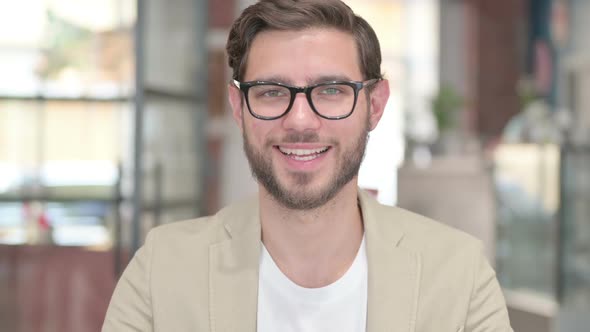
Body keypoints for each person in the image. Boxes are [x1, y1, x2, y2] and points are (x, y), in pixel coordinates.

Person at [102, 0, 513, 331]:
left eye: (331, 90)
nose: (300, 120)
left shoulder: (459, 277)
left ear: (375, 105)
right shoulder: (161, 273)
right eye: (270, 92)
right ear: (239, 108)